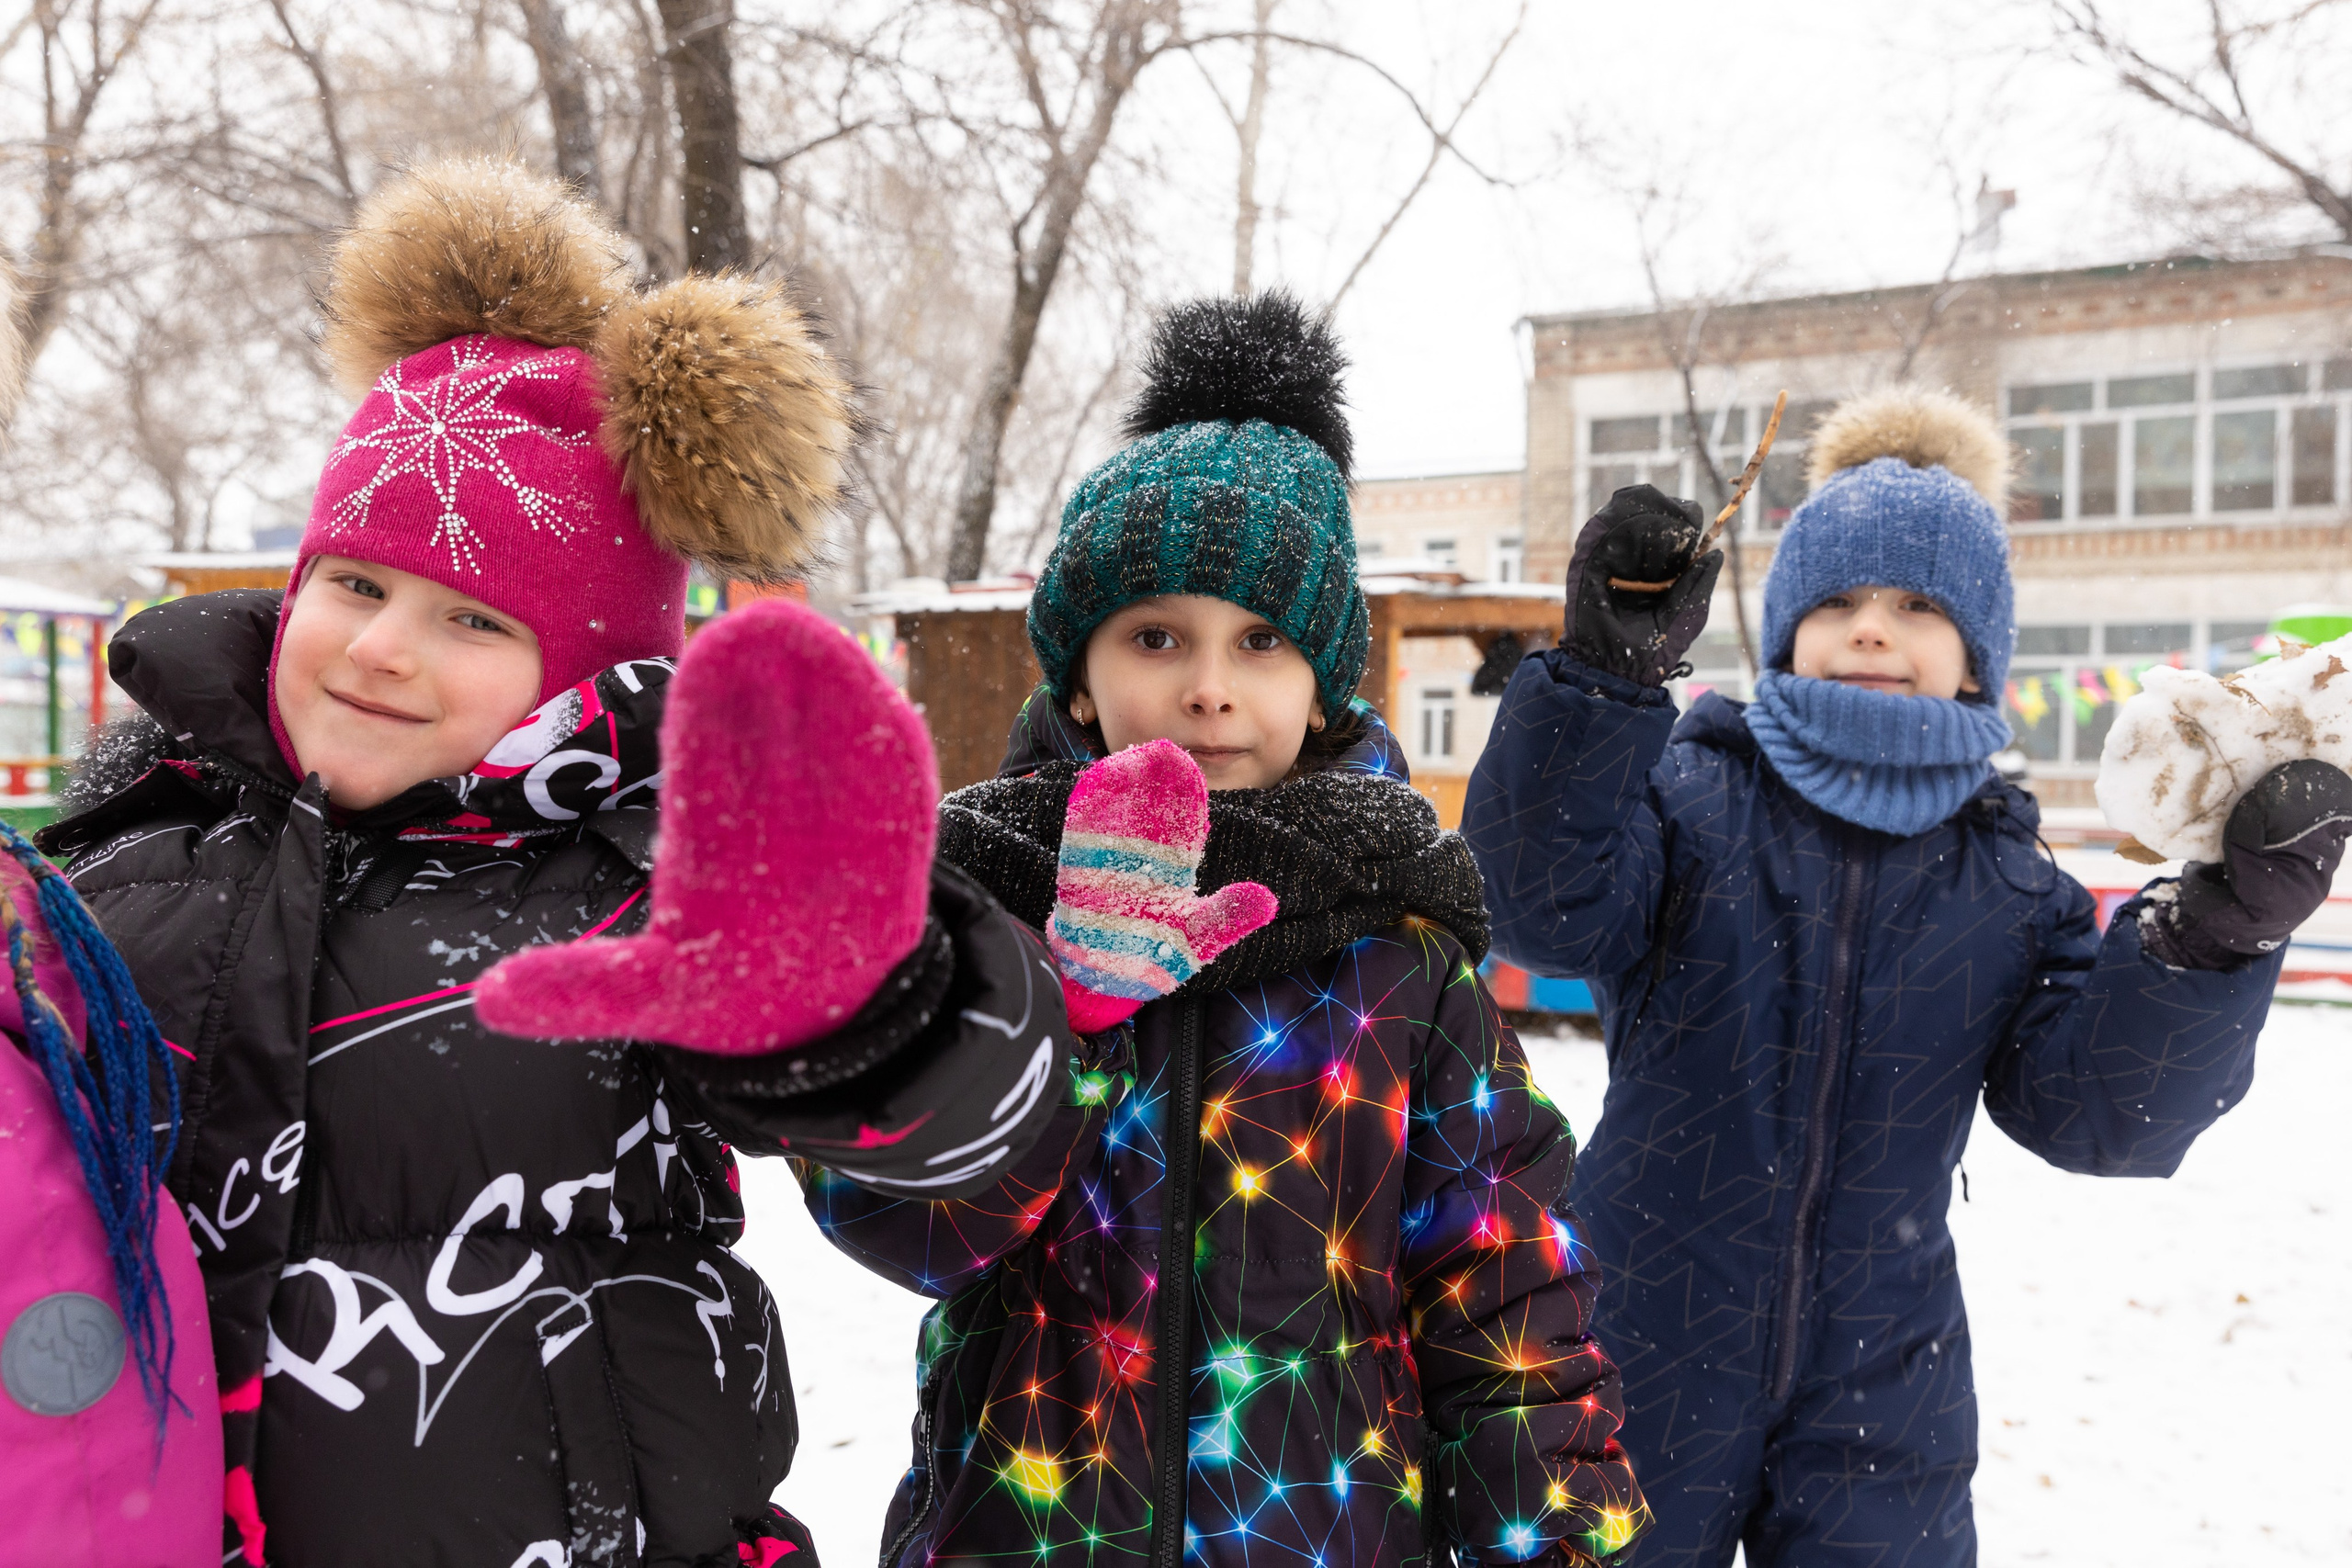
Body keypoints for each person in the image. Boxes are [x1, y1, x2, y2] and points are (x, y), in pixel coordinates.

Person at [40, 157, 1070, 1568]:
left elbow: (967, 1179)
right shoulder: (135, 852)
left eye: (471, 618)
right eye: (354, 582)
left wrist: (866, 1006)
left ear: (579, 673)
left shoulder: (642, 876)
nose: (383, 645)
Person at [806, 293, 1651, 1567]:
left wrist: (1562, 1539)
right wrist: (1055, 1018)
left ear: (1321, 689)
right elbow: (900, 1222)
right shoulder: (977, 911)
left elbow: (1506, 1292)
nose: (1209, 682)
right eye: (1157, 634)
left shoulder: (1399, 955)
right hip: (1017, 1530)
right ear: (1079, 684)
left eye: (1260, 640)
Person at [1461, 387, 2352, 1568]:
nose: (1871, 628)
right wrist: (1599, 685)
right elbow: (1540, 910)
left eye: (1918, 604)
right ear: (1781, 631)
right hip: (1635, 1334)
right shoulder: (1688, 798)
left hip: (1885, 1369)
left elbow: (2098, 1114)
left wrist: (2213, 937)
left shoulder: (2010, 879)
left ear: (1979, 651)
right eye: (1834, 600)